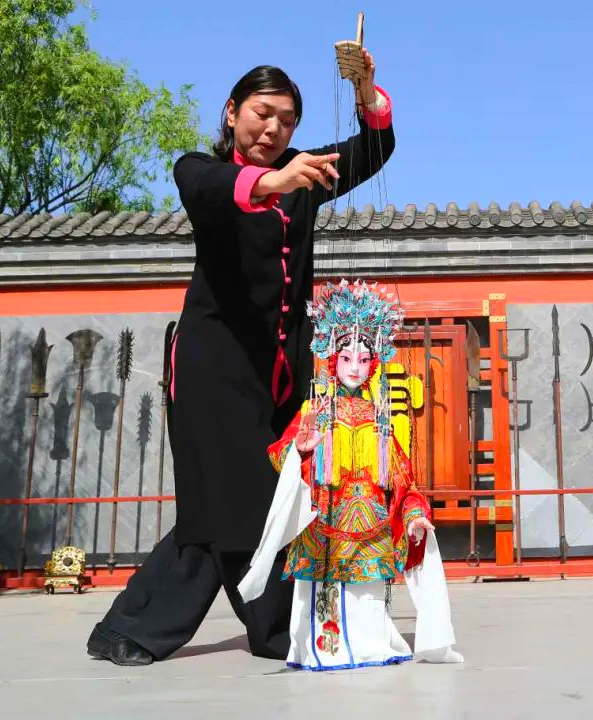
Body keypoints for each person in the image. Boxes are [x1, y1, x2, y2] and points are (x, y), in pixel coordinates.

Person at [87, 53, 395, 666]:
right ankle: (267, 629)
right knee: (239, 498)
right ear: (231, 113)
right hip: (212, 369)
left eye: (288, 120)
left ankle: (140, 627)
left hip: (279, 374)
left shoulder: (305, 175)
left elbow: (376, 147)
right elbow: (210, 190)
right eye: (262, 113)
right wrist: (277, 181)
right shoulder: (201, 170)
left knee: (239, 503)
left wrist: (365, 91)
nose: (273, 129)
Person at [238, 279, 463, 670]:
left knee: (367, 601)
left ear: (374, 363)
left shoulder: (381, 419)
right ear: (332, 360)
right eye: (346, 359)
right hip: (325, 525)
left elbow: (403, 480)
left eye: (363, 359)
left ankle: (371, 647)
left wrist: (413, 515)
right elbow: (279, 456)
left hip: (371, 527)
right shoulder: (315, 411)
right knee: (323, 602)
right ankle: (322, 651)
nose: (355, 368)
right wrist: (300, 449)